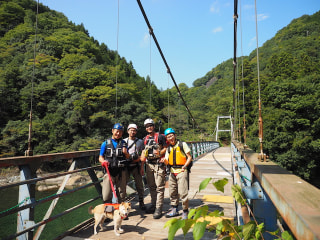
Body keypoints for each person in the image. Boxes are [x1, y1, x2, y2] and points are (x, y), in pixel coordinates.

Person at [140, 118, 167, 219]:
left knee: (159, 187)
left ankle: (159, 208)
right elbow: (143, 152)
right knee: (151, 186)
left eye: (150, 125)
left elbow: (165, 147)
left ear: (154, 126)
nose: (149, 127)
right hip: (149, 164)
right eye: (147, 126)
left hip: (158, 164)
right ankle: (153, 204)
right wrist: (142, 165)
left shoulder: (159, 136)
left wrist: (160, 153)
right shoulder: (144, 139)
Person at [163, 128, 193, 220]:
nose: (170, 138)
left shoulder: (182, 144)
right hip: (172, 172)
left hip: (182, 171)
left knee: (183, 193)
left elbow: (189, 157)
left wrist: (185, 166)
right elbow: (167, 162)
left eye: (171, 135)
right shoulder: (168, 148)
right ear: (167, 139)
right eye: (168, 137)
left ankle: (185, 211)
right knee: (172, 192)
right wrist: (164, 161)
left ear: (175, 135)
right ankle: (174, 209)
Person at [99, 123, 130, 203]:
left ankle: (121, 213)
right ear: (112, 131)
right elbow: (100, 157)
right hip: (109, 171)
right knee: (106, 195)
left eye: (120, 132)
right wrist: (103, 161)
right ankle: (108, 213)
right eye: (117, 131)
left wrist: (125, 152)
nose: (118, 133)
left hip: (121, 172)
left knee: (121, 194)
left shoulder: (124, 143)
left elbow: (127, 157)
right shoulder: (105, 143)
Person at [124, 123, 146, 210]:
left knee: (139, 185)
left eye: (134, 130)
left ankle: (141, 201)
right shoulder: (124, 141)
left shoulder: (140, 142)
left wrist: (142, 167)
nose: (132, 132)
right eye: (131, 130)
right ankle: (124, 204)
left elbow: (143, 154)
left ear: (136, 131)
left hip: (136, 165)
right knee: (123, 186)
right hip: (126, 166)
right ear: (128, 131)